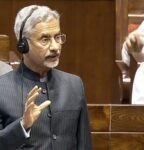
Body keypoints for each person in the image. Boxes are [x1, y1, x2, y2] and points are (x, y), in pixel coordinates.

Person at [0, 5, 92, 150]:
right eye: (45, 39)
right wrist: (23, 125)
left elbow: (84, 144)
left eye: (57, 37)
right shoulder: (2, 89)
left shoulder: (74, 85)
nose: (55, 46)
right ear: (23, 45)